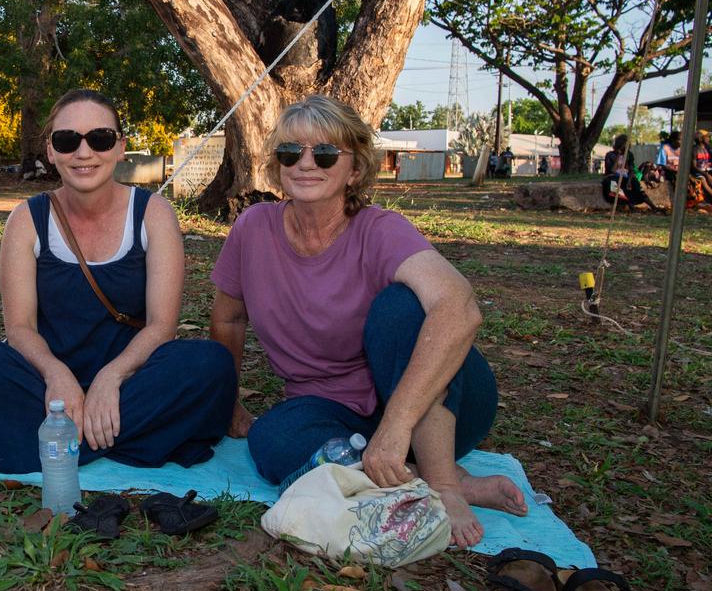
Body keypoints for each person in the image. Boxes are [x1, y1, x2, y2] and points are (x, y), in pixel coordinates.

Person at [209, 95, 526, 548]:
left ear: (354, 169)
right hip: (339, 419)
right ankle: (430, 477)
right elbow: (229, 319)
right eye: (289, 152)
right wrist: (230, 401)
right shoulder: (253, 228)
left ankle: (444, 484)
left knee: (401, 307)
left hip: (437, 405)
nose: (304, 164)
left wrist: (397, 425)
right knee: (271, 439)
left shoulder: (380, 229)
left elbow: (460, 306)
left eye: (323, 153)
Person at [0, 88, 236, 474]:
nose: (84, 153)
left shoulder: (153, 214)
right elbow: (20, 328)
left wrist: (111, 377)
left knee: (210, 363)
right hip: (46, 388)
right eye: (67, 141)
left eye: (99, 138)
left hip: (131, 381)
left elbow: (162, 326)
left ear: (119, 147)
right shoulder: (27, 219)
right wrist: (56, 375)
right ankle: (129, 440)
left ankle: (45, 444)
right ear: (50, 150)